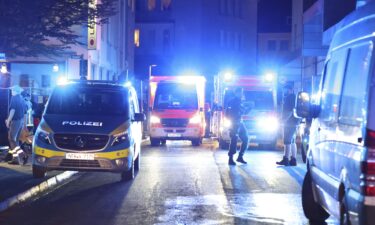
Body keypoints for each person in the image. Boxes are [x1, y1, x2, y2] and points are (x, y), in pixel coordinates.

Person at [276, 84, 300, 166]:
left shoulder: (289, 98)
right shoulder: (295, 98)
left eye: (285, 89)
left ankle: (286, 159)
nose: (284, 91)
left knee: (287, 141)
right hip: (295, 122)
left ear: (290, 89)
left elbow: (289, 112)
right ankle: (293, 159)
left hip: (289, 123)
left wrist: (282, 121)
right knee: (292, 141)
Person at [226, 87, 251, 165]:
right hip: (234, 123)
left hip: (240, 122)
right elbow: (228, 113)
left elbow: (243, 112)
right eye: (240, 92)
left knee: (246, 139)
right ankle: (231, 159)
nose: (241, 94)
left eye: (242, 92)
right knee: (234, 140)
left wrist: (249, 108)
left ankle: (240, 157)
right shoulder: (232, 101)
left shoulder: (240, 101)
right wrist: (232, 121)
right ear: (236, 93)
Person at [5, 85, 27, 165]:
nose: (11, 92)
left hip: (15, 121)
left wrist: (8, 121)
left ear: (16, 91)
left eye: (12, 90)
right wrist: (24, 124)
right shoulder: (22, 99)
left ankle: (22, 155)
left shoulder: (14, 98)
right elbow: (25, 113)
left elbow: (12, 110)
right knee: (16, 140)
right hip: (20, 121)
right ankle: (16, 159)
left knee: (11, 139)